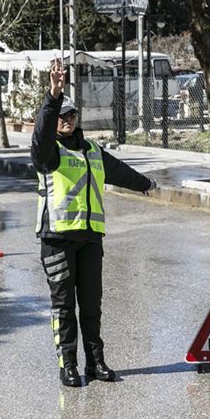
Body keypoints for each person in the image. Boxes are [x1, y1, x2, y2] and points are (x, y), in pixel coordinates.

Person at [31, 60, 157, 387]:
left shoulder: (92, 150)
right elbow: (42, 129)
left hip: (89, 240)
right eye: (61, 116)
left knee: (91, 306)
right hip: (57, 239)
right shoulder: (48, 151)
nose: (66, 121)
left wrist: (146, 183)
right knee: (64, 307)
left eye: (71, 115)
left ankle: (95, 361)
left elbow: (119, 172)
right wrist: (53, 95)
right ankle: (68, 364)